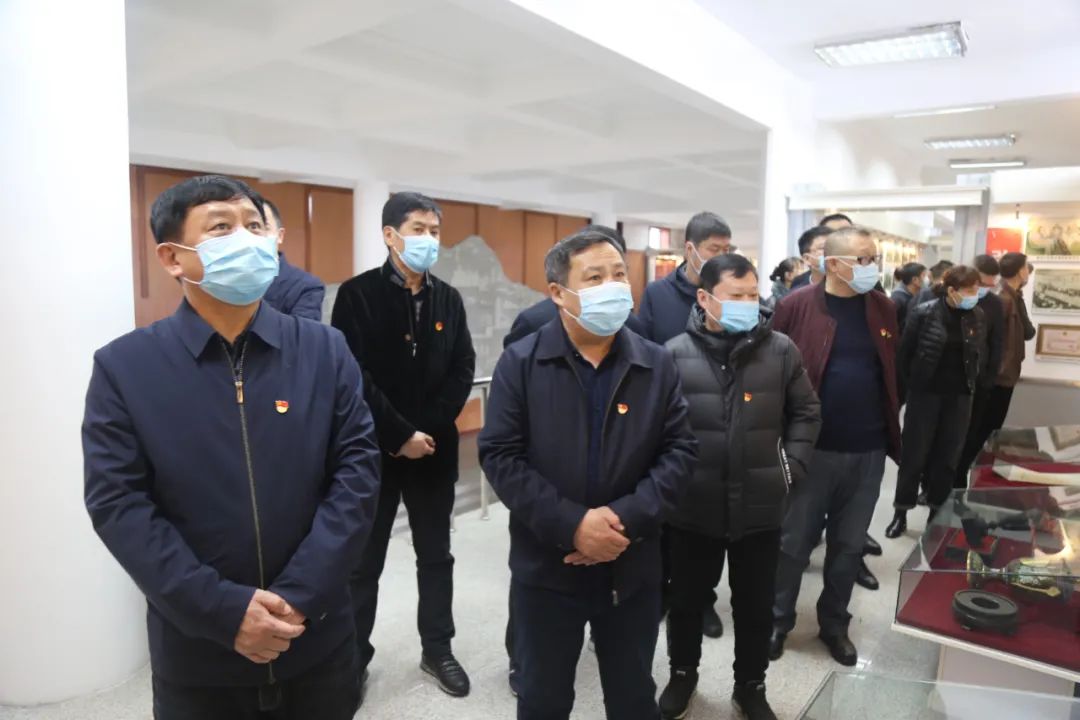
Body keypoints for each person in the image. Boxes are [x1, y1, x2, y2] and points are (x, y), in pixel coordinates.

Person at [83, 175, 381, 720]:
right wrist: (224, 611)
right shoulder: (125, 368)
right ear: (172, 257)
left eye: (255, 224)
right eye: (222, 227)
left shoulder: (324, 350)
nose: (247, 238)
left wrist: (300, 596)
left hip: (317, 641)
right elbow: (119, 504)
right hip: (200, 657)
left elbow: (357, 473)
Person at [479, 229, 697, 720]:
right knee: (543, 698)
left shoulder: (655, 362)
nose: (613, 286)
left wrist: (623, 520)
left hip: (632, 563)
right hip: (546, 568)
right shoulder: (522, 362)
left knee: (633, 696)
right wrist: (573, 525)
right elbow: (501, 456)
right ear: (558, 292)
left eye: (619, 274)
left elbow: (680, 451)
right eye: (594, 277)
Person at [659, 255, 821, 720]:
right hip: (693, 506)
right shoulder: (672, 354)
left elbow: (806, 412)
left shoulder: (781, 350)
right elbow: (656, 429)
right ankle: (682, 675)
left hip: (760, 506)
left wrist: (790, 467)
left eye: (753, 295)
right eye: (736, 296)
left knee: (754, 605)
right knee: (686, 601)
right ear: (705, 298)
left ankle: (750, 685)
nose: (749, 304)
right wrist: (672, 480)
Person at [331, 192, 476, 700]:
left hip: (432, 453)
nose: (429, 240)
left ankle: (438, 649)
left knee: (436, 557)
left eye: (435, 231)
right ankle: (353, 658)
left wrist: (424, 434)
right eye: (419, 229)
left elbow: (462, 368)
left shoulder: (448, 299)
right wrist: (397, 436)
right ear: (390, 235)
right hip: (372, 452)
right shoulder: (356, 296)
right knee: (362, 562)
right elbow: (352, 374)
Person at [769, 226, 901, 667]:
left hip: (868, 450)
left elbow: (891, 372)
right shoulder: (795, 307)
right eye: (862, 259)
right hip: (812, 450)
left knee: (848, 546)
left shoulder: (883, 308)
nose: (871, 267)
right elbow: (772, 373)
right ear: (832, 264)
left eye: (873, 258)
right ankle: (777, 620)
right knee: (793, 544)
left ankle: (834, 624)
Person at [885, 266, 987, 538]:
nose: (975, 294)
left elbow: (979, 354)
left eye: (977, 289)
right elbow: (904, 355)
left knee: (947, 458)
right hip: (925, 395)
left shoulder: (976, 315)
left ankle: (935, 515)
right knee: (913, 456)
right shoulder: (924, 312)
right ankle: (900, 512)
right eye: (970, 290)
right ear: (952, 290)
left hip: (960, 397)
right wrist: (915, 384)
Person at [953, 253, 1034, 478]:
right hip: (996, 377)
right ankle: (957, 477)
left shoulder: (1012, 296)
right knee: (979, 431)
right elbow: (989, 341)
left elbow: (1028, 331)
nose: (1028, 271)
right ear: (1020, 270)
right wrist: (990, 374)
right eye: (1026, 267)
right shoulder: (1002, 299)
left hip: (1003, 374)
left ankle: (961, 475)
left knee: (988, 430)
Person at [503, 225, 645, 347]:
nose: (610, 285)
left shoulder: (632, 325)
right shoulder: (533, 322)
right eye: (595, 276)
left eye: (618, 273)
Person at [639, 211, 733, 345]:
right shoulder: (657, 294)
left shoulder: (733, 295)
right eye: (714, 249)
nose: (721, 257)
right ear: (689, 249)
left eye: (726, 250)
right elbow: (642, 347)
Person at [953, 255, 1005, 489]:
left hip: (979, 382)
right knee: (944, 436)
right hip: (949, 381)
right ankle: (932, 485)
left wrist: (989, 378)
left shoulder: (995, 304)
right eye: (981, 284)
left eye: (989, 285)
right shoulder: (951, 298)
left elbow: (997, 343)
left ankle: (958, 480)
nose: (983, 289)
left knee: (971, 435)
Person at [259, 197, 326, 321]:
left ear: (280, 235)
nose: (251, 236)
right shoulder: (222, 279)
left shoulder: (306, 286)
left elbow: (303, 332)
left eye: (261, 226)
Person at [890, 262, 927, 333]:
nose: (927, 279)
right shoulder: (897, 298)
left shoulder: (920, 295)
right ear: (915, 280)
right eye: (924, 275)